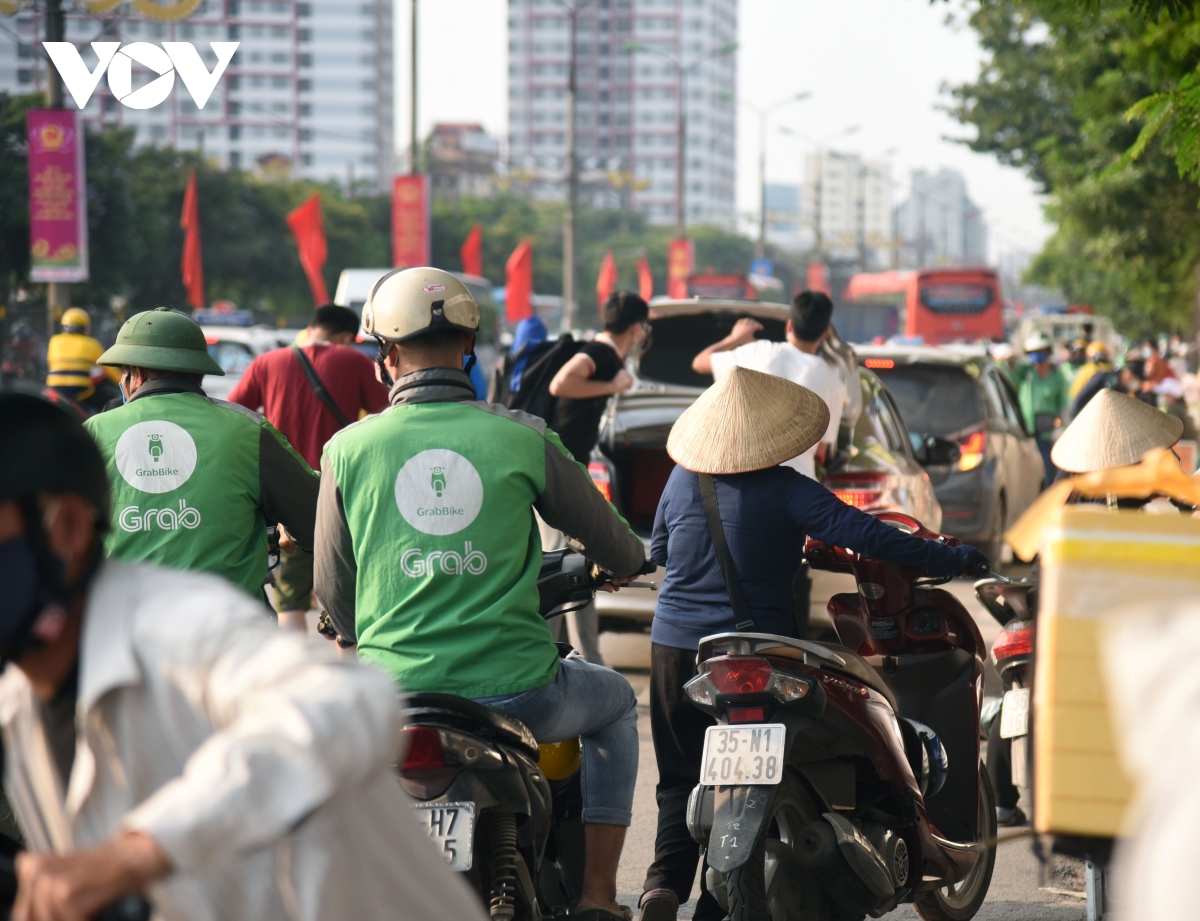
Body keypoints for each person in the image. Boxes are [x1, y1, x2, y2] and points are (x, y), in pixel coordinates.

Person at [0, 382, 487, 921]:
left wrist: (140, 851)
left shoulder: (184, 628)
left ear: (67, 525)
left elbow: (351, 701)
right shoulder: (21, 701)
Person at [314, 267, 646, 921]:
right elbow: (619, 547)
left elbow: (331, 587)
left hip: (394, 695)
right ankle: (600, 895)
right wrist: (628, 560)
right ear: (468, 349)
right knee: (615, 707)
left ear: (387, 357)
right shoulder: (522, 436)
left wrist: (359, 634)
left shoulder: (346, 449)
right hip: (520, 694)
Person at [637, 367, 988, 921]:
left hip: (676, 650)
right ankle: (719, 894)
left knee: (682, 777)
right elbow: (866, 534)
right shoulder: (786, 487)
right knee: (787, 762)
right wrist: (953, 559)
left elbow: (660, 549)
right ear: (773, 437)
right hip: (757, 650)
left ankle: (661, 886)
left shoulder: (683, 479)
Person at [84, 308, 319, 600]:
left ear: (137, 374)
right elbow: (315, 517)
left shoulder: (91, 433)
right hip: (231, 632)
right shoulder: (248, 429)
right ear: (199, 375)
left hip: (123, 629)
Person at [691, 290, 850, 637]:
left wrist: (736, 337)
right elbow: (822, 450)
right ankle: (790, 661)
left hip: (738, 482)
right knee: (790, 584)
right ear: (825, 332)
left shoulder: (757, 351)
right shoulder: (832, 379)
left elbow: (700, 362)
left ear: (789, 324)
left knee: (738, 574)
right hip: (794, 498)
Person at [228, 303, 388, 629]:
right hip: (343, 490)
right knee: (349, 597)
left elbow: (230, 415)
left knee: (288, 598)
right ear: (346, 336)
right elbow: (387, 413)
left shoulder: (267, 362)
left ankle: (294, 676)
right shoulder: (354, 361)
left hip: (287, 495)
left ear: (312, 326)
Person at [545, 291, 649, 664]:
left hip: (566, 470)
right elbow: (561, 384)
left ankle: (578, 659)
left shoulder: (607, 354)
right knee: (564, 569)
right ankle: (569, 659)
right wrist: (613, 386)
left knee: (572, 568)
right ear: (636, 329)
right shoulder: (601, 353)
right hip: (559, 475)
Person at [1012, 332, 1069, 485]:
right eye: (1034, 353)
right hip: (1025, 435)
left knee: (1047, 475)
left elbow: (1063, 406)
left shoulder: (1057, 377)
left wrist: (1062, 428)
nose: (1037, 357)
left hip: (1046, 436)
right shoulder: (1025, 373)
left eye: (1041, 352)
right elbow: (1007, 370)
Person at [44, 308, 120, 408]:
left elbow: (50, 362)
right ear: (85, 327)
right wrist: (125, 382)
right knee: (107, 402)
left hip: (54, 389)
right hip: (79, 392)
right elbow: (109, 369)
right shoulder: (92, 343)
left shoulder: (54, 341)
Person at [1154, 377, 1198, 444]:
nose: (1166, 399)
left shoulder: (1175, 410)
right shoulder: (1181, 407)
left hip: (1184, 444)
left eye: (1167, 396)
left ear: (1173, 396)